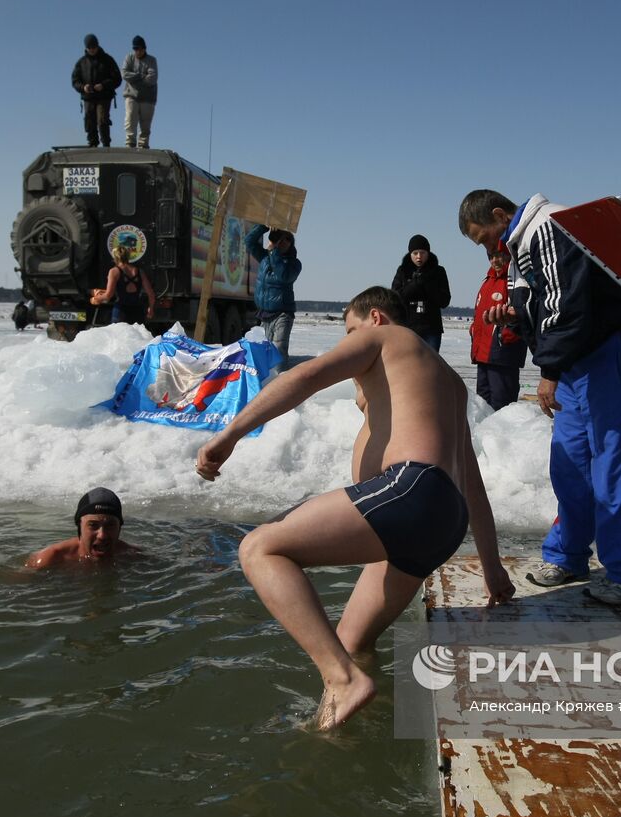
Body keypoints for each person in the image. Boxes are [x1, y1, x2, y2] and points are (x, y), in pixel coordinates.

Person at [195, 286, 515, 730]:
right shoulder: (445, 382)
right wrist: (491, 567)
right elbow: (473, 488)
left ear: (376, 318)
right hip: (441, 520)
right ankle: (341, 728)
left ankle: (344, 682)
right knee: (348, 643)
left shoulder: (384, 338)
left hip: (409, 489)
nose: (348, 340)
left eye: (349, 330)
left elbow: (304, 378)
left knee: (260, 548)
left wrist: (228, 436)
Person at [459, 190, 621, 608]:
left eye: (483, 237)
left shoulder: (548, 225)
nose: (486, 247)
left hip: (606, 355)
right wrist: (516, 320)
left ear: (501, 214)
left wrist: (548, 369)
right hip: (573, 363)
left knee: (615, 464)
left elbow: (569, 305)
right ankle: (568, 554)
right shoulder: (518, 246)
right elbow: (543, 303)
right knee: (570, 463)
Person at [469, 248, 527, 410]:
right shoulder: (487, 281)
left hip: (502, 354)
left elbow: (523, 313)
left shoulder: (515, 280)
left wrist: (506, 335)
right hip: (483, 354)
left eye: (499, 256)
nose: (495, 260)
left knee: (501, 406)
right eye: (491, 256)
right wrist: (474, 330)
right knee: (482, 405)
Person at [26, 487, 140, 568]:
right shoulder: (49, 559)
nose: (102, 535)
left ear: (119, 527)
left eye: (110, 525)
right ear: (79, 526)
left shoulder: (132, 555)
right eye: (93, 525)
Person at [245, 224, 301, 370]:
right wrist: (264, 226)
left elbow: (283, 275)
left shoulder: (293, 264)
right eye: (280, 239)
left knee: (278, 354)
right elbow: (249, 242)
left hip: (282, 314)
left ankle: (281, 386)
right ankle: (265, 386)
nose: (282, 243)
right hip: (264, 315)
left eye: (287, 240)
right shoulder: (265, 258)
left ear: (291, 244)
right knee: (264, 354)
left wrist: (274, 251)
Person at [391, 234, 451, 352]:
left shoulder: (438, 271)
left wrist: (427, 284)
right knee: (408, 363)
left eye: (422, 253)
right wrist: (414, 285)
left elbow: (444, 300)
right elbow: (394, 298)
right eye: (415, 253)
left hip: (431, 328)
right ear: (410, 254)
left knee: (431, 365)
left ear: (428, 253)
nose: (419, 257)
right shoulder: (403, 271)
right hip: (408, 327)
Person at [71, 33, 122, 148]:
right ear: (86, 48)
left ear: (98, 46)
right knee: (89, 119)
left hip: (104, 96)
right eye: (90, 48)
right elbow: (75, 81)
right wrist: (83, 87)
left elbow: (117, 79)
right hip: (88, 97)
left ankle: (106, 144)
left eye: (94, 47)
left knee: (102, 119)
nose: (93, 50)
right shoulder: (81, 62)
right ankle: (92, 144)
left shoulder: (108, 60)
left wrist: (103, 85)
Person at [91, 247, 156, 325]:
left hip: (121, 311)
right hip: (137, 311)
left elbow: (108, 295)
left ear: (115, 257)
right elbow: (151, 293)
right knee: (137, 336)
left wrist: (96, 298)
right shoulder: (139, 271)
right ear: (128, 256)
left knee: (118, 336)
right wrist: (151, 308)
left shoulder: (114, 271)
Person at [121, 35, 158, 149]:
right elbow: (124, 74)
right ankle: (130, 143)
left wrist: (135, 78)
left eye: (140, 49)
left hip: (148, 98)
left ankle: (143, 145)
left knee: (145, 125)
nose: (138, 51)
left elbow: (152, 79)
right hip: (131, 95)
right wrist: (141, 76)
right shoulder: (129, 58)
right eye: (135, 49)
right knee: (130, 120)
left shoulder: (152, 60)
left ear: (144, 48)